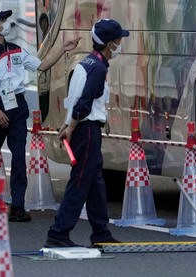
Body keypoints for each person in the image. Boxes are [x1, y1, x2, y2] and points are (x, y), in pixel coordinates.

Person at [0, 7, 79, 222]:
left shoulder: (17, 50)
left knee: (20, 157)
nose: (7, 24)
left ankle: (18, 206)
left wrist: (63, 49)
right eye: (2, 21)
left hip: (18, 106)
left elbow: (42, 66)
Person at [45, 18, 128, 248]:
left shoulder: (86, 63)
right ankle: (58, 232)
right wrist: (71, 128)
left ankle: (100, 231)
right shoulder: (99, 68)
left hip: (82, 127)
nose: (121, 44)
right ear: (110, 44)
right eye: (119, 40)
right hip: (87, 129)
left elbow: (73, 98)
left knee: (95, 183)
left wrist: (66, 123)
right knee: (80, 182)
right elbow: (84, 102)